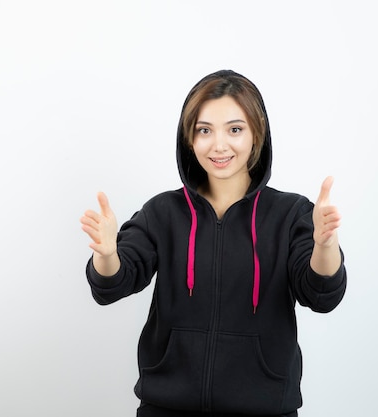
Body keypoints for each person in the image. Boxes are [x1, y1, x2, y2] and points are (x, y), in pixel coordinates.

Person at [80, 70, 347, 417]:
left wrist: (325, 247)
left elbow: (320, 294)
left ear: (257, 134)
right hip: (166, 408)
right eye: (204, 130)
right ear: (189, 139)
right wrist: (108, 254)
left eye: (234, 129)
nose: (219, 145)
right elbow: (113, 283)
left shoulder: (290, 213)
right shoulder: (163, 212)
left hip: (265, 409)